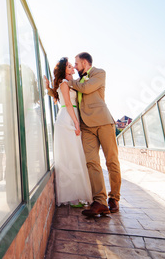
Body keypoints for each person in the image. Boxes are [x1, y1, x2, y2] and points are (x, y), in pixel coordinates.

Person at [45, 52, 121, 216]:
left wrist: (67, 81)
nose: (75, 66)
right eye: (72, 65)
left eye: (77, 63)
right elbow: (64, 95)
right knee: (91, 163)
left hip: (103, 123)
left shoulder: (98, 73)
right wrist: (51, 89)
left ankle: (114, 198)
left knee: (112, 160)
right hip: (85, 127)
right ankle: (100, 201)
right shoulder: (75, 81)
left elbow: (84, 88)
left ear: (85, 63)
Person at [51, 57, 92, 207]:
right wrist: (76, 122)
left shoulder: (71, 83)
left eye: (72, 66)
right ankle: (72, 196)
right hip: (67, 119)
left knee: (75, 155)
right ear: (64, 70)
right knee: (70, 156)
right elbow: (68, 103)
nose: (72, 68)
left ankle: (77, 193)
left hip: (72, 116)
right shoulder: (63, 83)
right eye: (69, 66)